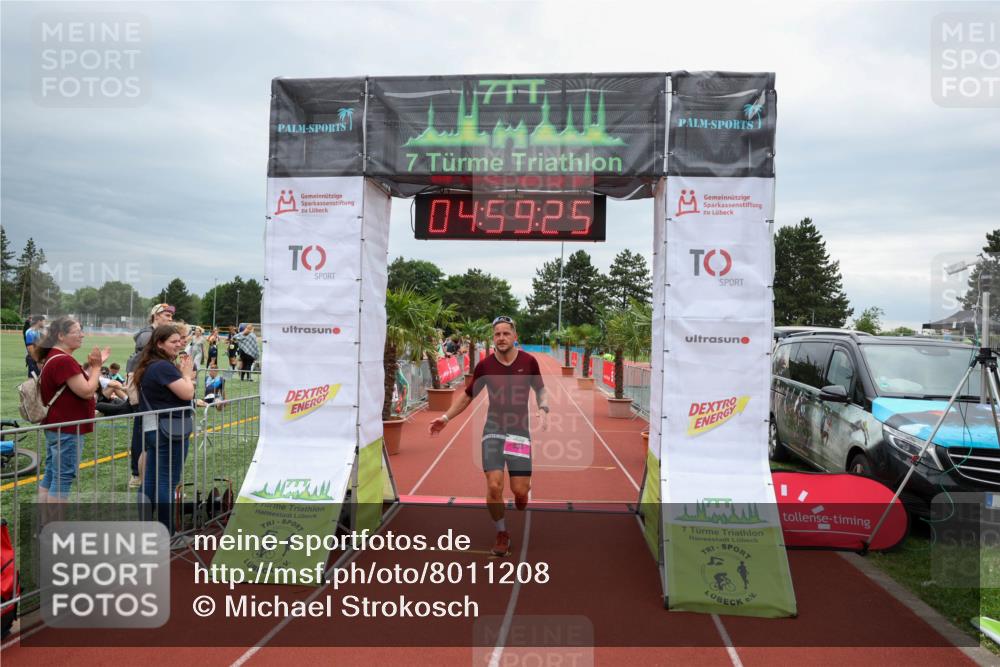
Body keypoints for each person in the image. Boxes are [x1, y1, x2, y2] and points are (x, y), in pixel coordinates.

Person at [428, 316, 548, 556]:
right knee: (494, 486)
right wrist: (446, 418)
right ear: (493, 338)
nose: (501, 338)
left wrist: (543, 408)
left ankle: (522, 493)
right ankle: (502, 532)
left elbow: (540, 389)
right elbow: (467, 396)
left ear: (515, 336)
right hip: (493, 430)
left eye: (506, 333)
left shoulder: (529, 362)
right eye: (497, 334)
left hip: (518, 432)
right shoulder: (485, 366)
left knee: (520, 489)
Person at [34, 316, 110, 502]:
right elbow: (87, 391)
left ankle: (45, 518)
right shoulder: (64, 361)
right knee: (63, 477)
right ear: (61, 335)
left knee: (52, 473)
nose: (82, 335)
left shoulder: (55, 356)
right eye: (77, 332)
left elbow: (79, 385)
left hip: (57, 425)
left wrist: (95, 367)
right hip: (67, 428)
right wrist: (97, 367)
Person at [133, 325, 196, 537]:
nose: (179, 344)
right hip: (169, 430)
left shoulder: (150, 364)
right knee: (166, 483)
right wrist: (186, 375)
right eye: (173, 341)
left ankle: (145, 529)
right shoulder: (162, 367)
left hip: (154, 428)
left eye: (180, 340)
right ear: (159, 344)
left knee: (151, 480)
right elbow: (187, 393)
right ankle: (167, 533)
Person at [125, 303, 175, 489]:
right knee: (141, 431)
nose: (170, 318)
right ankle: (137, 474)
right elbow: (146, 361)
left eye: (171, 315)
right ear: (156, 316)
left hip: (150, 386)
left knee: (149, 430)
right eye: (166, 315)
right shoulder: (147, 335)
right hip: (143, 387)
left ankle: (146, 473)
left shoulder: (155, 334)